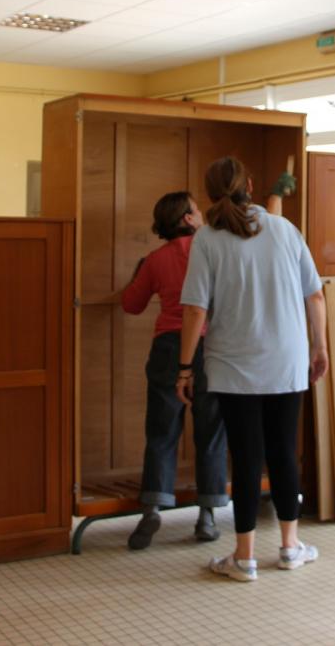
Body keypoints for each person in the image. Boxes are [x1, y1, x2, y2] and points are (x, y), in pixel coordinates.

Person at [177, 157, 326, 582]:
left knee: (244, 458)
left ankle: (243, 558)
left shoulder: (207, 238)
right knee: (282, 452)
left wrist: (184, 368)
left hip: (232, 365)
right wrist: (319, 347)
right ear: (252, 184)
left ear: (208, 193)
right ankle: (290, 546)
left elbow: (194, 310)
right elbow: (315, 297)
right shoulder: (284, 229)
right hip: (287, 361)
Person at [117, 192, 228, 549]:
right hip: (210, 346)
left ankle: (152, 508)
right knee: (210, 432)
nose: (200, 215)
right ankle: (207, 516)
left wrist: (138, 274)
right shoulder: (212, 251)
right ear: (187, 219)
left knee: (162, 429)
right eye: (196, 211)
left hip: (168, 348)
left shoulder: (155, 260)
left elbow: (131, 305)